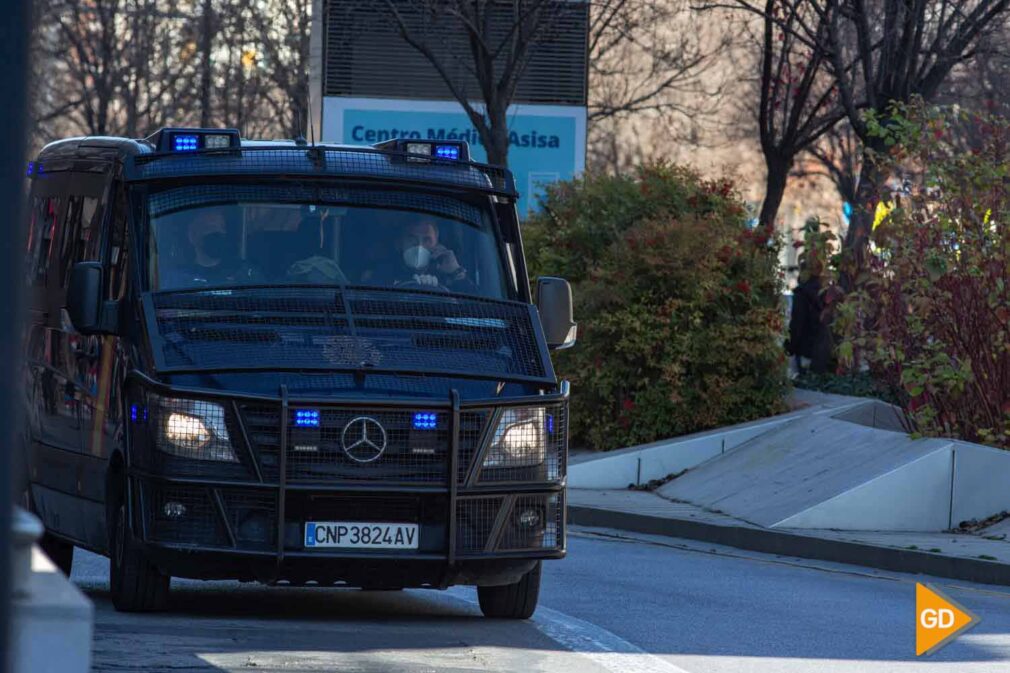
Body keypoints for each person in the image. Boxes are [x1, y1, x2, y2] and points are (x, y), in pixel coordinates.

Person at [159, 208, 262, 289]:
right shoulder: (176, 280)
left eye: (221, 228)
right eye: (209, 228)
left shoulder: (245, 274)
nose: (216, 232)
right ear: (192, 236)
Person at [364, 217, 474, 293]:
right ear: (400, 243)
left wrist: (455, 272)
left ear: (437, 244)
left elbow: (477, 309)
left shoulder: (447, 277)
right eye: (412, 239)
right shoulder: (382, 274)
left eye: (427, 240)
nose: (419, 245)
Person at [787, 262, 832, 375]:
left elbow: (797, 324)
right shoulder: (827, 294)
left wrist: (790, 348)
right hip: (823, 351)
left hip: (804, 349)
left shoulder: (801, 295)